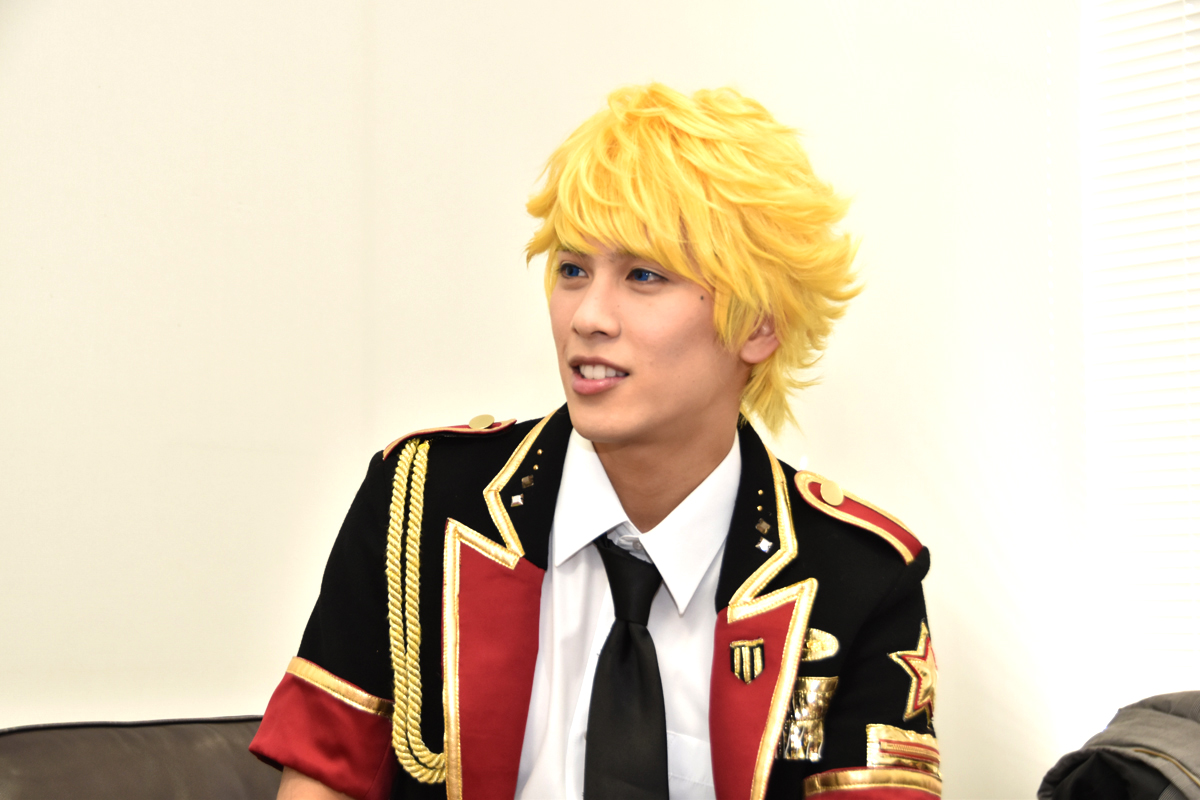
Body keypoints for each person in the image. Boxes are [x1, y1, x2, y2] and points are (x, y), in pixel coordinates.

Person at [250, 83, 940, 800]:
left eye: (643, 276)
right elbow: (323, 780)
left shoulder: (857, 577)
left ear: (759, 325)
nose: (588, 316)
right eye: (573, 271)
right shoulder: (422, 502)